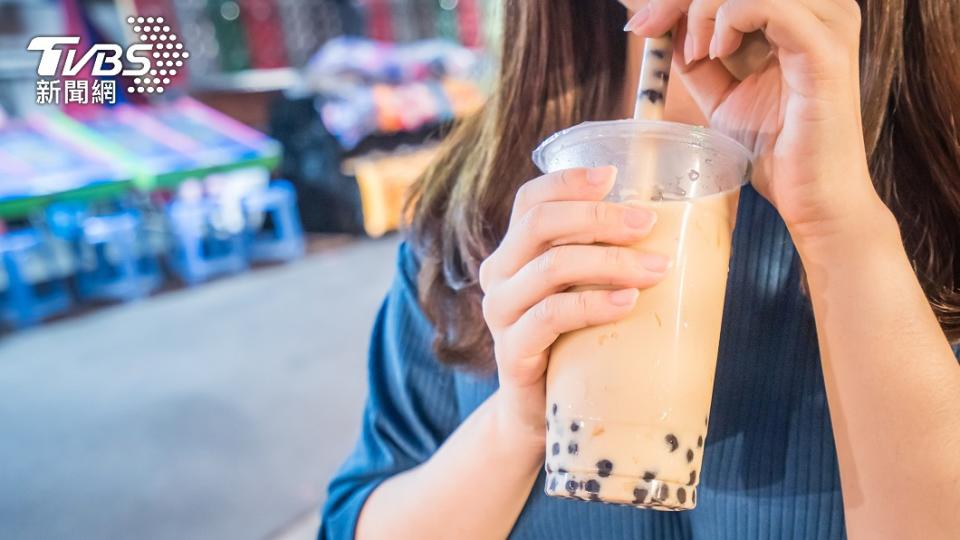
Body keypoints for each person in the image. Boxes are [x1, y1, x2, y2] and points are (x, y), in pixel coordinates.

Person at [321, 1, 960, 538]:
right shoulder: (476, 196)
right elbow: (360, 516)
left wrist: (840, 228)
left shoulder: (941, 171)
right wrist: (516, 425)